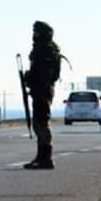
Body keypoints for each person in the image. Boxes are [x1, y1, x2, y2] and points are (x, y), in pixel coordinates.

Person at [24, 20, 62, 170]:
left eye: (36, 32)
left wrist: (31, 78)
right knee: (38, 123)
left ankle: (46, 157)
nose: (34, 35)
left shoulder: (46, 52)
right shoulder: (42, 50)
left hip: (43, 91)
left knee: (42, 123)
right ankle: (41, 156)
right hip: (40, 90)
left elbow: (43, 74)